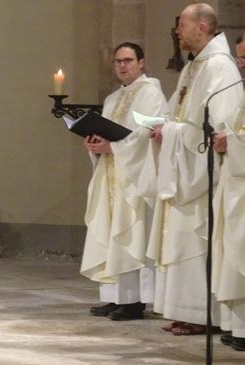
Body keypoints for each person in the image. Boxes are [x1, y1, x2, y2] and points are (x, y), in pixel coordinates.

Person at [147, 3, 243, 336]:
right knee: (181, 240)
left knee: (196, 242)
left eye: (183, 25)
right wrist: (162, 128)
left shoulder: (220, 67)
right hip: (181, 167)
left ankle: (202, 314)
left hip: (200, 172)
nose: (177, 31)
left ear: (202, 27)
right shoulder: (193, 66)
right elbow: (176, 113)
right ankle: (183, 311)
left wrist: (173, 132)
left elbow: (220, 125)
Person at [81, 42, 168, 321]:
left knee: (131, 233)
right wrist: (94, 144)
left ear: (141, 63)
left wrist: (113, 147)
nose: (122, 65)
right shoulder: (112, 99)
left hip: (134, 177)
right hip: (110, 173)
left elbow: (147, 134)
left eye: (128, 60)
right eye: (118, 61)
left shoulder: (151, 93)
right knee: (110, 234)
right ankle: (114, 296)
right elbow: (106, 131)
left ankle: (134, 300)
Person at [210, 31, 245, 351]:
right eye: (240, 58)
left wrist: (231, 143)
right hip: (236, 186)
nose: (242, 65)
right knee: (233, 259)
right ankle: (238, 326)